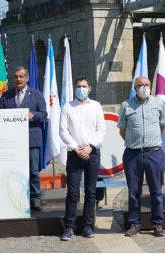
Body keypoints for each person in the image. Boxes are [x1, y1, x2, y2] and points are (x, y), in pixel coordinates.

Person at [118, 76, 165, 238]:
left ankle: (157, 223)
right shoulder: (126, 105)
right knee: (134, 191)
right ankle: (134, 223)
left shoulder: (158, 104)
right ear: (135, 88)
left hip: (154, 152)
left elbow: (162, 126)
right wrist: (135, 142)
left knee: (156, 190)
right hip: (133, 154)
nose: (144, 87)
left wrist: (150, 141)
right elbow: (122, 130)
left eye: (147, 85)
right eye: (141, 85)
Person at [59, 77, 106, 241]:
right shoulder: (67, 107)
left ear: (89, 88)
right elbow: (63, 130)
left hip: (92, 152)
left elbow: (101, 130)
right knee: (72, 192)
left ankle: (87, 226)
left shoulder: (96, 106)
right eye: (78, 86)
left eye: (84, 86)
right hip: (74, 153)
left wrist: (90, 146)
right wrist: (75, 147)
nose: (81, 89)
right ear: (74, 88)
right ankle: (69, 227)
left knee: (91, 192)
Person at [0, 66, 48, 211]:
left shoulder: (37, 95)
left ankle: (35, 198)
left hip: (31, 139)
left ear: (27, 78)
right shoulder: (6, 96)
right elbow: (0, 116)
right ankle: (15, 197)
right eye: (16, 77)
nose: (18, 79)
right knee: (13, 170)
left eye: (21, 76)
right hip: (11, 140)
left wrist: (33, 115)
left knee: (33, 171)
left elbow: (44, 114)